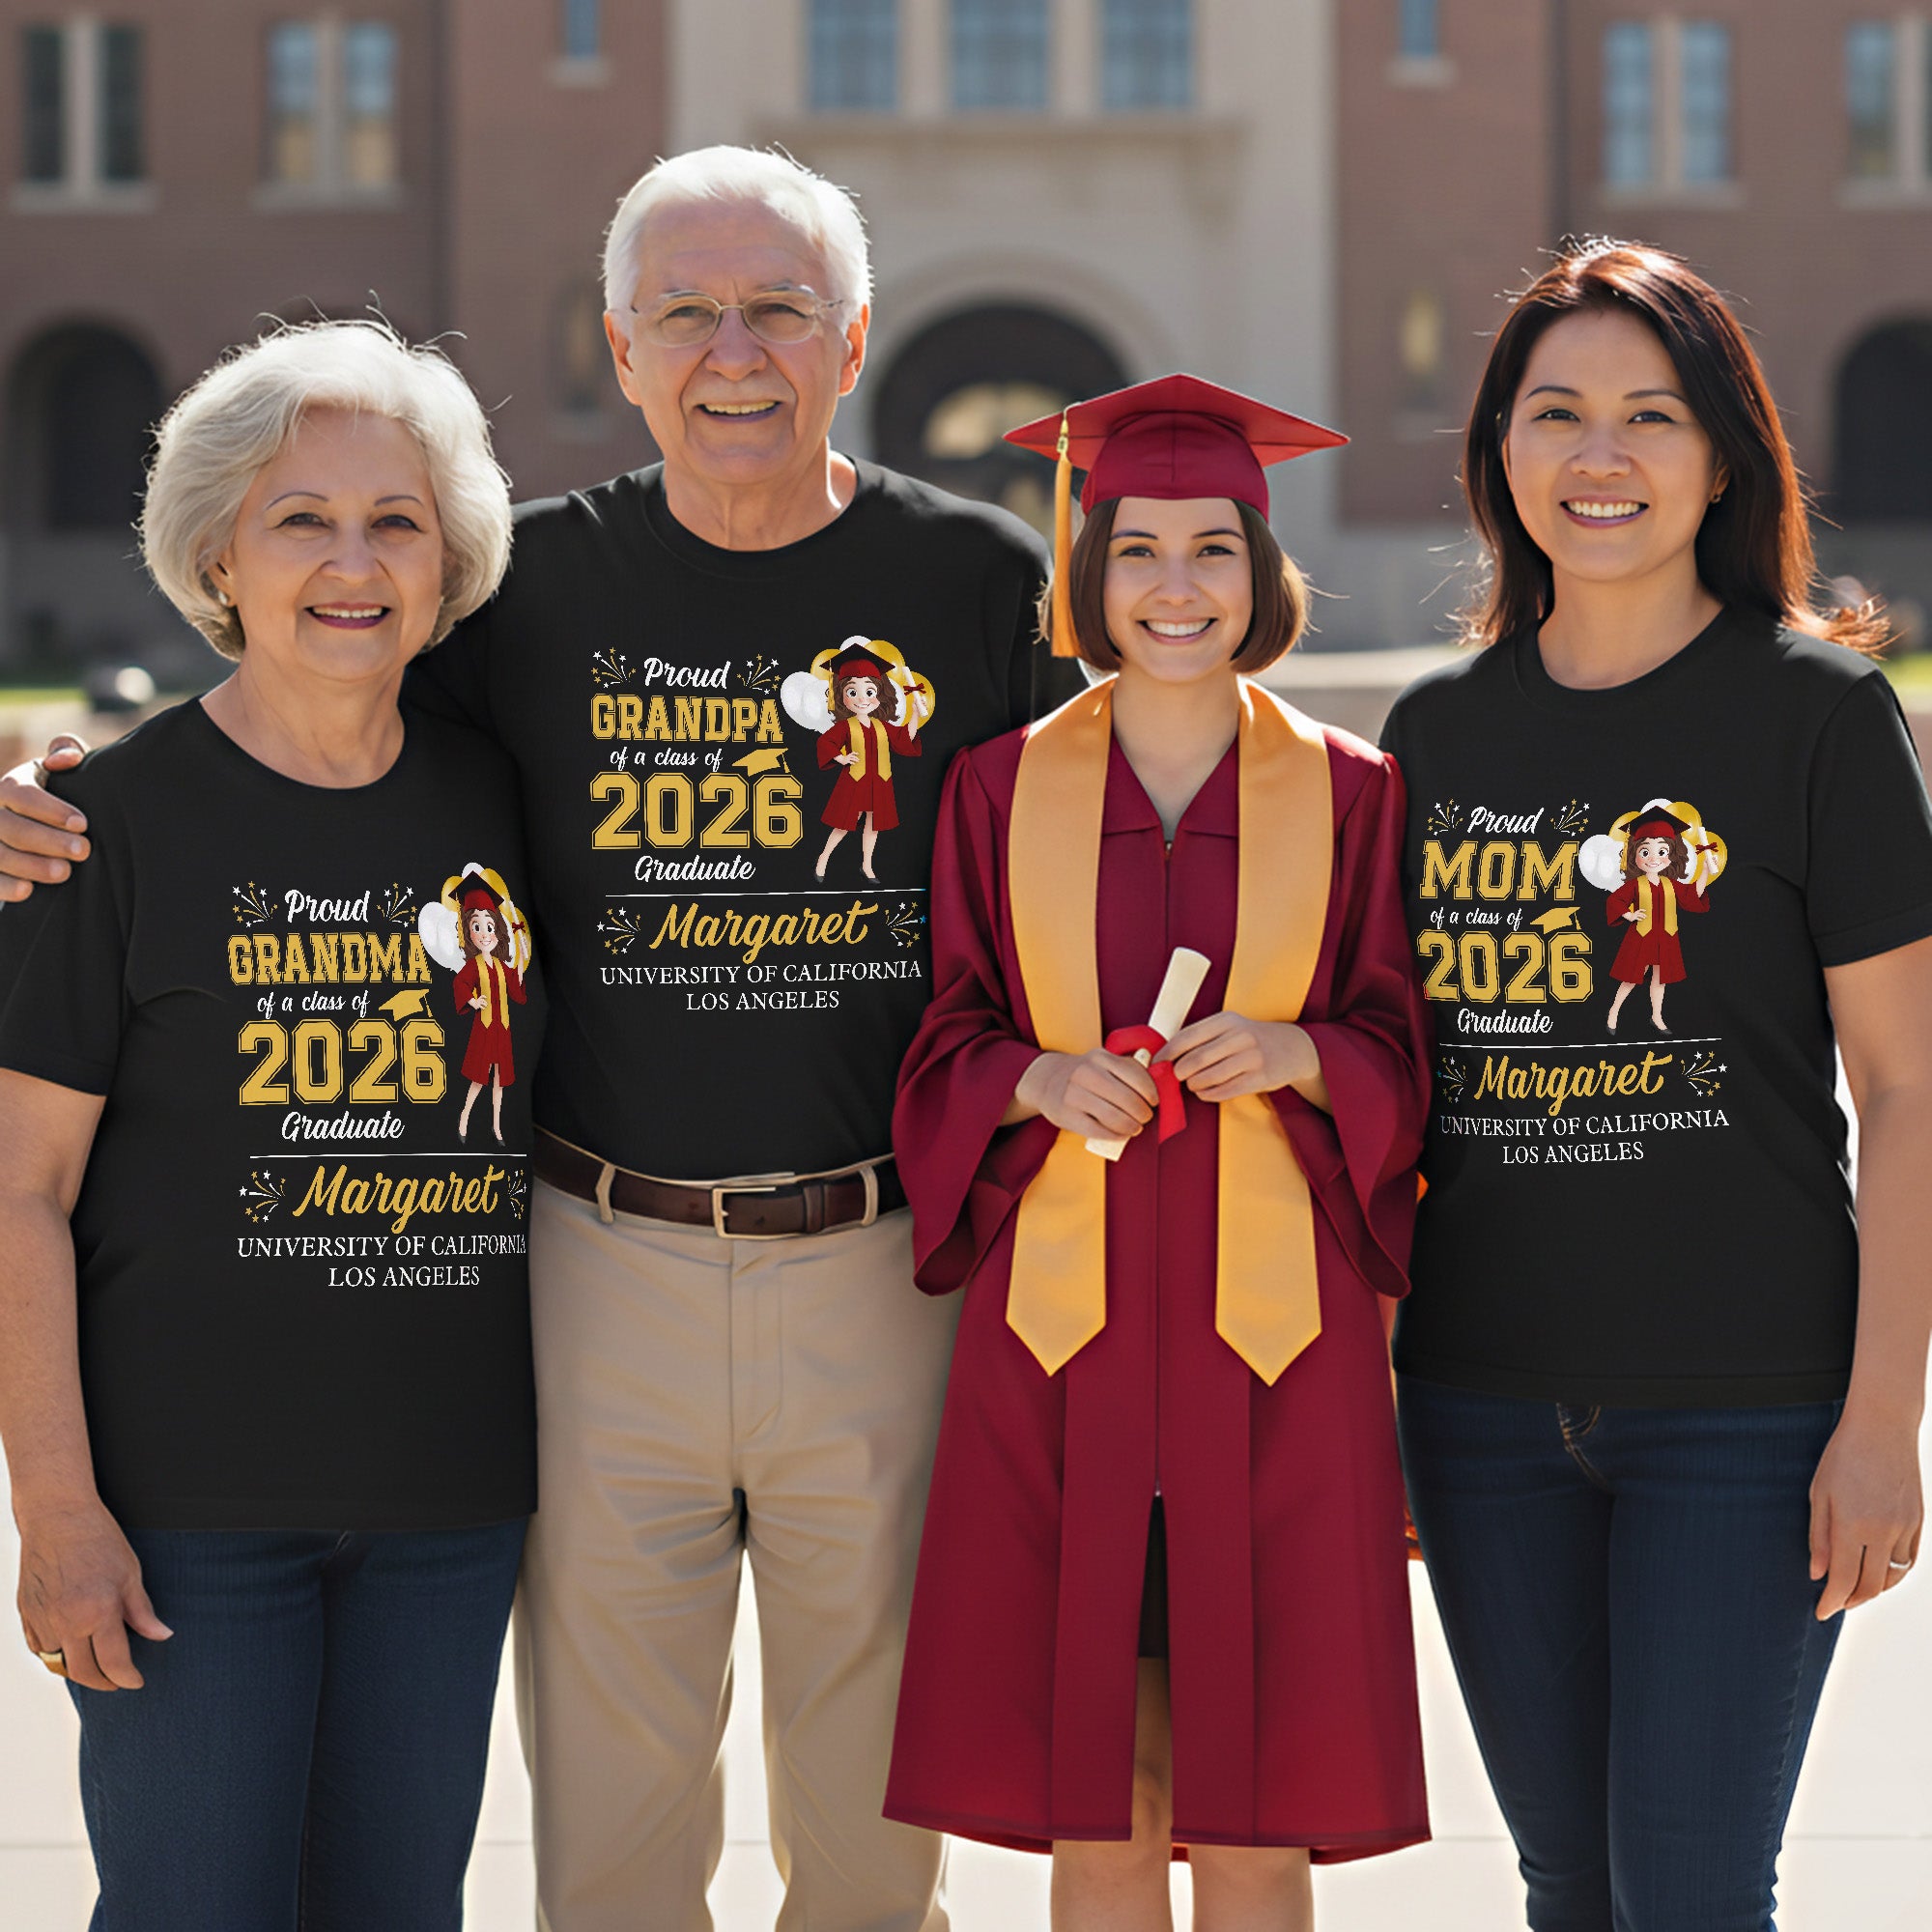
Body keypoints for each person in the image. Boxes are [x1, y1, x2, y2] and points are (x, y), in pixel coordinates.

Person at [0, 145, 1077, 1932]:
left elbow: (1121, 819)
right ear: (619, 348)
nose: (735, 352)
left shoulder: (979, 580)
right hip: (594, 1266)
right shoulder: (526, 605)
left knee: (880, 1831)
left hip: (890, 1258)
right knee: (610, 1844)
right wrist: (36, 796)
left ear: (855, 336)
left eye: (780, 311)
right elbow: (289, 693)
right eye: (686, 314)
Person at [1379, 241, 1932, 1931]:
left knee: (1686, 1891)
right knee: (1566, 1890)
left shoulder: (1816, 718)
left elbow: (1907, 1094)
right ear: (1499, 455)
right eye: (1556, 414)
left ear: (1722, 458)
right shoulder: (1427, 740)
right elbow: (1395, 1098)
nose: (1599, 457)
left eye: (1650, 416)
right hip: (1480, 1413)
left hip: (1748, 1416)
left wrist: (1881, 1426)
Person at [0, 321, 539, 1930]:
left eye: (396, 520)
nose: (352, 562)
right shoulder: (96, 832)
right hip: (185, 1525)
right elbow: (20, 1192)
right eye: (301, 518)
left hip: (448, 1510)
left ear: (450, 562)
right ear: (217, 552)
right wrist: (59, 1516)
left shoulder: (508, 801)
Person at [885, 376, 1432, 1931]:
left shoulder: (1350, 795)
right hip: (1068, 1347)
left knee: (1259, 1804)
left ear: (1264, 574)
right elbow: (943, 1041)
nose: (1175, 586)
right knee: (1102, 1795)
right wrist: (1035, 1082)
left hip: (1278, 1350)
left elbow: (1406, 1052)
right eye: (1136, 550)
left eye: (1213, 549)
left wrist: (1301, 1053)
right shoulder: (999, 791)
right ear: (1090, 570)